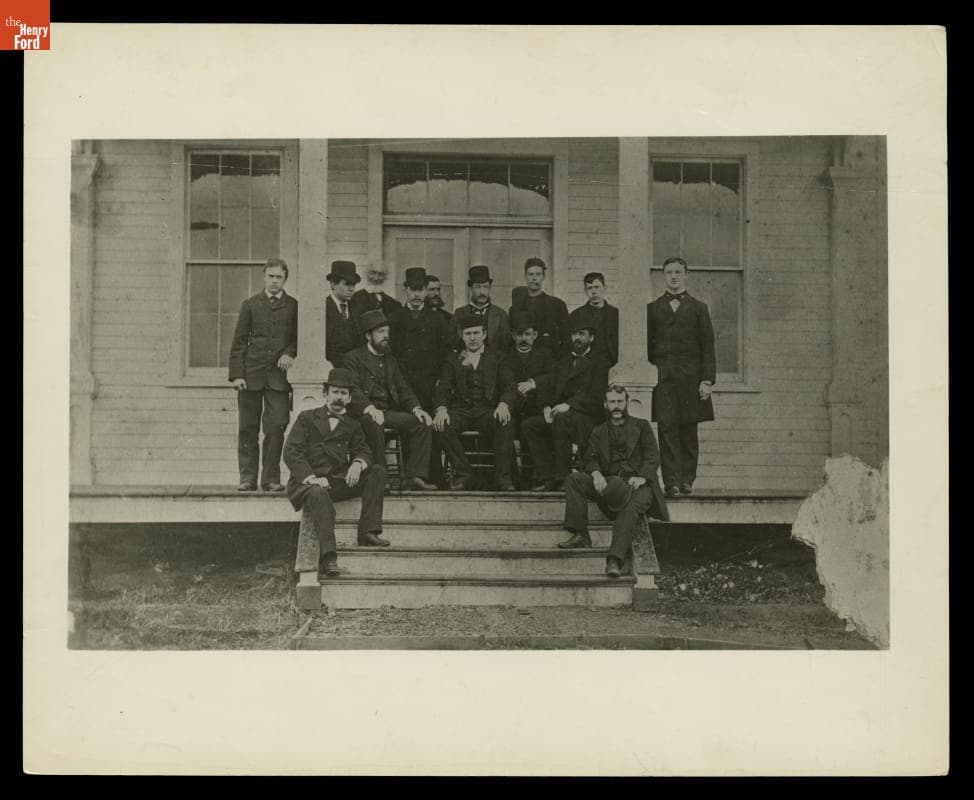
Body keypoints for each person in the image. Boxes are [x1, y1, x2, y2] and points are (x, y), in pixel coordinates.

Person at [283, 368, 389, 578]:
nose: (339, 397)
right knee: (319, 493)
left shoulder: (353, 424)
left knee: (377, 471)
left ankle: (368, 532)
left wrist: (357, 464)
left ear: (349, 398)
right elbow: (291, 451)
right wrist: (312, 478)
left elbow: (364, 450)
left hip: (336, 480)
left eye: (343, 393)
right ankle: (329, 558)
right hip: (308, 482)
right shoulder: (307, 418)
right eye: (335, 392)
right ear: (325, 394)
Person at [560, 384, 670, 578]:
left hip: (639, 486)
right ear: (605, 404)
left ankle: (614, 560)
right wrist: (596, 473)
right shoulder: (598, 431)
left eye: (620, 401)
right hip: (610, 484)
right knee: (574, 479)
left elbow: (653, 456)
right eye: (612, 402)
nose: (616, 406)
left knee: (629, 510)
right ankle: (581, 534)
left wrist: (642, 476)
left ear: (627, 402)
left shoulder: (641, 426)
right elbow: (590, 458)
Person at [343, 309, 438, 492]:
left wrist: (417, 408)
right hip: (362, 413)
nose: (386, 336)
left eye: (387, 331)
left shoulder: (390, 360)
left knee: (422, 424)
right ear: (368, 335)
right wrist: (370, 408)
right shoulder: (353, 358)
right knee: (374, 423)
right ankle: (380, 478)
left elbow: (403, 388)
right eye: (380, 332)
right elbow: (352, 389)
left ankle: (414, 476)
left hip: (386, 412)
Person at [646, 256, 716, 497]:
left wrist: (706, 380)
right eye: (669, 272)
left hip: (691, 380)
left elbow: (708, 346)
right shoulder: (652, 309)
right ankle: (672, 483)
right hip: (663, 379)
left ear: (686, 275)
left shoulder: (699, 308)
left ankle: (687, 480)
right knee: (666, 428)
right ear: (663, 276)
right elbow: (647, 346)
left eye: (678, 272)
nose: (673, 277)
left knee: (688, 429)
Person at [228, 258, 298, 492]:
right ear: (264, 277)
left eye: (279, 277)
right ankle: (247, 477)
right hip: (251, 375)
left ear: (285, 279)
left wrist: (289, 353)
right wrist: (237, 375)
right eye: (271, 276)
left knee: (276, 425)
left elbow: (298, 338)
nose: (275, 281)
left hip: (278, 378)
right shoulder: (250, 304)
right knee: (247, 427)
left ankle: (270, 478)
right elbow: (239, 342)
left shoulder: (294, 306)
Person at [433, 313, 517, 491]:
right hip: (461, 411)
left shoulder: (498, 357)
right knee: (441, 425)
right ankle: (464, 473)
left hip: (487, 410)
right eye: (468, 334)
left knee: (505, 422)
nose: (472, 338)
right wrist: (441, 409)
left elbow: (510, 385)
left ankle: (502, 477)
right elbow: (443, 388)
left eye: (476, 333)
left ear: (484, 334)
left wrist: (503, 405)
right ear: (462, 336)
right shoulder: (453, 359)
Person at [521, 321, 609, 491]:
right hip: (562, 415)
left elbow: (596, 396)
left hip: (587, 419)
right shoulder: (564, 361)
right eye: (574, 334)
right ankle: (547, 476)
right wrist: (546, 407)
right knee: (529, 425)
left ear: (591, 337)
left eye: (581, 334)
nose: (577, 338)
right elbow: (550, 384)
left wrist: (569, 405)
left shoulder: (600, 363)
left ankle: (562, 478)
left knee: (561, 419)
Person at [389, 267, 453, 487]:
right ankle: (410, 478)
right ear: (406, 290)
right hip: (403, 386)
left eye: (421, 290)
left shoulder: (438, 320)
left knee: (431, 430)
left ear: (426, 291)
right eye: (412, 289)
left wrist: (441, 381)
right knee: (410, 428)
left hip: (430, 386)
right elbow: (390, 355)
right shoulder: (395, 319)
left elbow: (447, 355)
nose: (417, 295)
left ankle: (433, 477)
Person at [501, 310, 554, 486]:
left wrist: (533, 383)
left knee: (535, 429)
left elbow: (552, 377)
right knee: (505, 427)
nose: (523, 339)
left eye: (528, 334)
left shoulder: (545, 354)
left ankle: (541, 478)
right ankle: (513, 480)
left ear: (535, 335)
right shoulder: (505, 355)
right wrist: (516, 388)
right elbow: (503, 378)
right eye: (519, 335)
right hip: (513, 409)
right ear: (513, 336)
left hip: (537, 407)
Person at [508, 257, 569, 355]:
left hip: (550, 358)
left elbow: (566, 338)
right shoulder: (516, 308)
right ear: (525, 276)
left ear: (543, 277)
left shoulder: (557, 305)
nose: (534, 278)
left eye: (538, 274)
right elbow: (512, 339)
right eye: (530, 274)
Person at [452, 265, 510, 353]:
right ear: (471, 288)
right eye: (478, 287)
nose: (482, 292)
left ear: (490, 288)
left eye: (485, 287)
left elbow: (506, 347)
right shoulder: (459, 313)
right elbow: (452, 345)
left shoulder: (501, 315)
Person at [568, 271, 619, 369]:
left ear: (605, 288)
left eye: (597, 287)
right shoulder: (576, 315)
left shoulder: (616, 314)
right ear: (585, 291)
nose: (593, 292)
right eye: (589, 288)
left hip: (613, 366)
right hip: (587, 368)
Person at [324, 260, 361, 371]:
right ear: (333, 284)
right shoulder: (323, 308)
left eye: (353, 284)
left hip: (354, 370)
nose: (351, 289)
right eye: (347, 284)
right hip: (330, 370)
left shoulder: (357, 309)